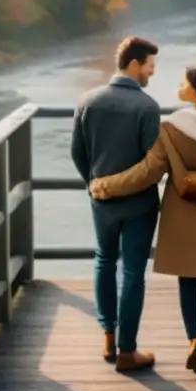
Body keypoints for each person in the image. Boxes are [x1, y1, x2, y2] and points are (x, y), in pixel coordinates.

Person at [91, 67, 196, 373]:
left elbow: (148, 172)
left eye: (183, 82)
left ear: (195, 92)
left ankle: (191, 340)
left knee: (187, 280)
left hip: (181, 213)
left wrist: (105, 185)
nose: (179, 85)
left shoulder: (172, 127)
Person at [71, 36, 162, 373]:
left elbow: (77, 153)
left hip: (101, 202)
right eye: (151, 65)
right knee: (133, 272)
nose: (153, 72)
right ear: (135, 64)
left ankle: (108, 335)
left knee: (104, 260)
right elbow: (153, 165)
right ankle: (127, 351)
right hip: (139, 205)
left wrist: (95, 185)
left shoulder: (87, 100)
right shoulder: (147, 107)